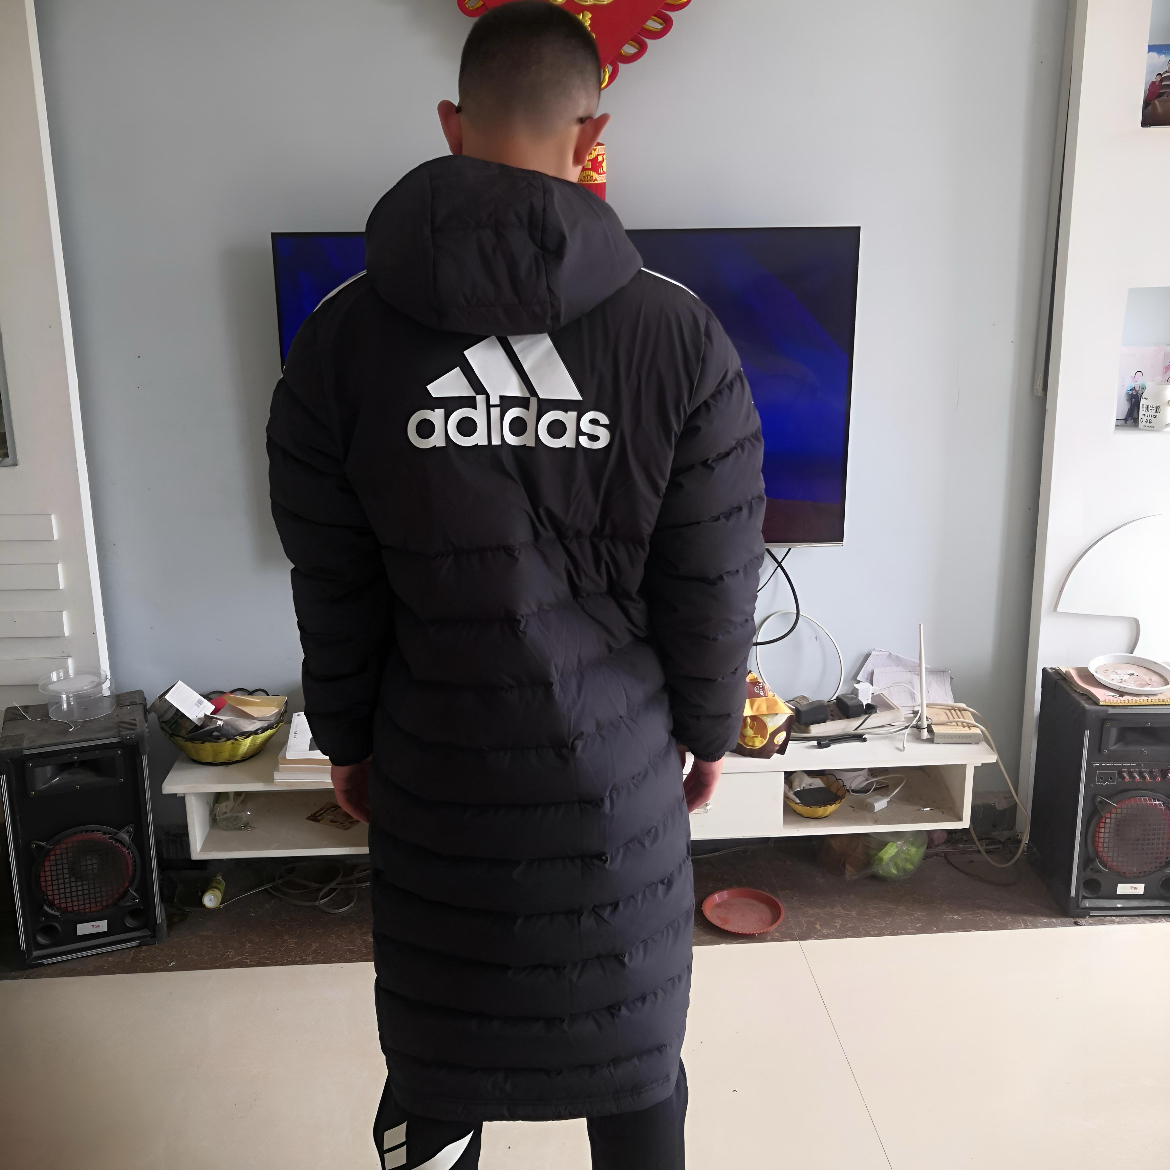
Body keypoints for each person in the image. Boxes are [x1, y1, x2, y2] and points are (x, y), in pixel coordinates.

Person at [267, 4, 764, 1167]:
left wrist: (346, 738)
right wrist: (706, 733)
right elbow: (714, 574)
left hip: (434, 764)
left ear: (452, 124)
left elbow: (331, 574)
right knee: (630, 1048)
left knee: (440, 1047)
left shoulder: (339, 339)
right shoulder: (680, 334)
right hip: (619, 770)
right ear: (591, 134)